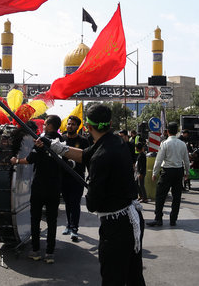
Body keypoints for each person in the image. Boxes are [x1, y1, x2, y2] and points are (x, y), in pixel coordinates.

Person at [44, 104, 144, 285]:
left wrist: (91, 186)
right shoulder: (114, 141)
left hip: (116, 227)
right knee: (133, 276)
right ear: (110, 123)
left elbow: (92, 204)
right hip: (132, 218)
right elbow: (84, 155)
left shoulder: (101, 156)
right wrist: (53, 146)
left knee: (112, 278)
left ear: (88, 128)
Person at [11, 115, 63, 263]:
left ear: (51, 126)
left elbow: (29, 160)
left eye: (46, 124)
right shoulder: (63, 141)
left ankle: (35, 251)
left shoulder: (42, 141)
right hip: (55, 187)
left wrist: (16, 161)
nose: (44, 126)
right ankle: (50, 253)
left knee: (35, 219)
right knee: (52, 220)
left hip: (40, 187)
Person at [148, 122, 190, 227]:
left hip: (167, 171)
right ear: (177, 132)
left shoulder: (164, 144)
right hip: (178, 171)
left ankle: (158, 218)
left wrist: (155, 172)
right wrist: (187, 172)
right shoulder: (182, 144)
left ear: (167, 132)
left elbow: (159, 160)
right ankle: (173, 220)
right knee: (176, 197)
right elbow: (186, 160)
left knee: (160, 195)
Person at [61, 115, 88, 242]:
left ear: (78, 127)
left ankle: (75, 229)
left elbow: (88, 159)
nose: (70, 126)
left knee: (75, 203)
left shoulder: (83, 141)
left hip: (77, 177)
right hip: (64, 177)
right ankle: (68, 225)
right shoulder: (61, 139)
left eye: (72, 124)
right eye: (68, 123)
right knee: (67, 202)